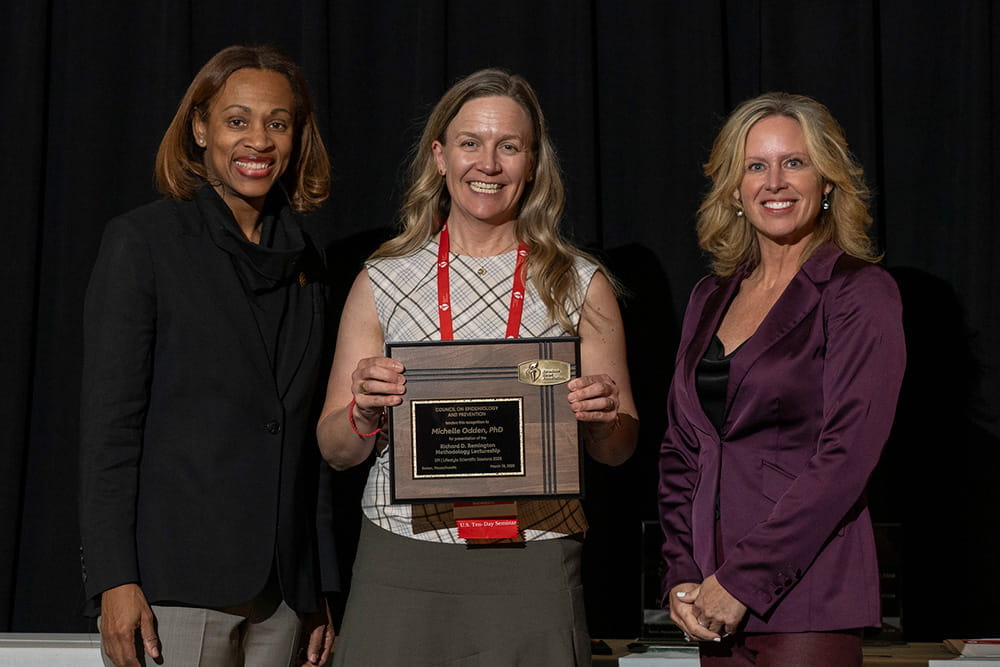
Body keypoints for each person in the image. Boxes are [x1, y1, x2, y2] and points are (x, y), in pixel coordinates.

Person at [317, 68, 638, 665]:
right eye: (470, 143)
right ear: (439, 155)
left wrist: (599, 418)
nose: (488, 164)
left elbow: (618, 448)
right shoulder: (382, 281)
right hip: (403, 558)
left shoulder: (581, 283)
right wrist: (361, 409)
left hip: (534, 558)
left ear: (533, 162)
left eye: (509, 146)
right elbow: (336, 450)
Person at [79, 44, 337, 667]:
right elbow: (109, 431)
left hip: (284, 599)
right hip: (176, 590)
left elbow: (309, 438)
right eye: (237, 119)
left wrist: (321, 583)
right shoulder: (143, 244)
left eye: (278, 123)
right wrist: (114, 581)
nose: (259, 140)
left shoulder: (308, 261)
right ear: (200, 128)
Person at [658, 92, 906, 665]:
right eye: (756, 165)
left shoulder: (859, 292)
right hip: (708, 600)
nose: (776, 181)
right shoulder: (709, 296)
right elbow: (680, 448)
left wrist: (742, 581)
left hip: (807, 595)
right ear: (735, 189)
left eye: (795, 162)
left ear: (828, 182)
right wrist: (682, 574)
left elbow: (846, 458)